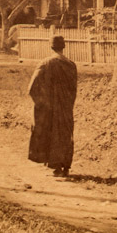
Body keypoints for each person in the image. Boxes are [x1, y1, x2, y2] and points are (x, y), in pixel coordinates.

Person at [27, 34, 77, 177]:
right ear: (64, 46)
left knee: (50, 132)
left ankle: (55, 166)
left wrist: (41, 103)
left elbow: (32, 87)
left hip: (50, 106)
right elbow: (73, 89)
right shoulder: (71, 64)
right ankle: (65, 165)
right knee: (65, 134)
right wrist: (68, 104)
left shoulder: (46, 63)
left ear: (51, 46)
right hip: (66, 106)